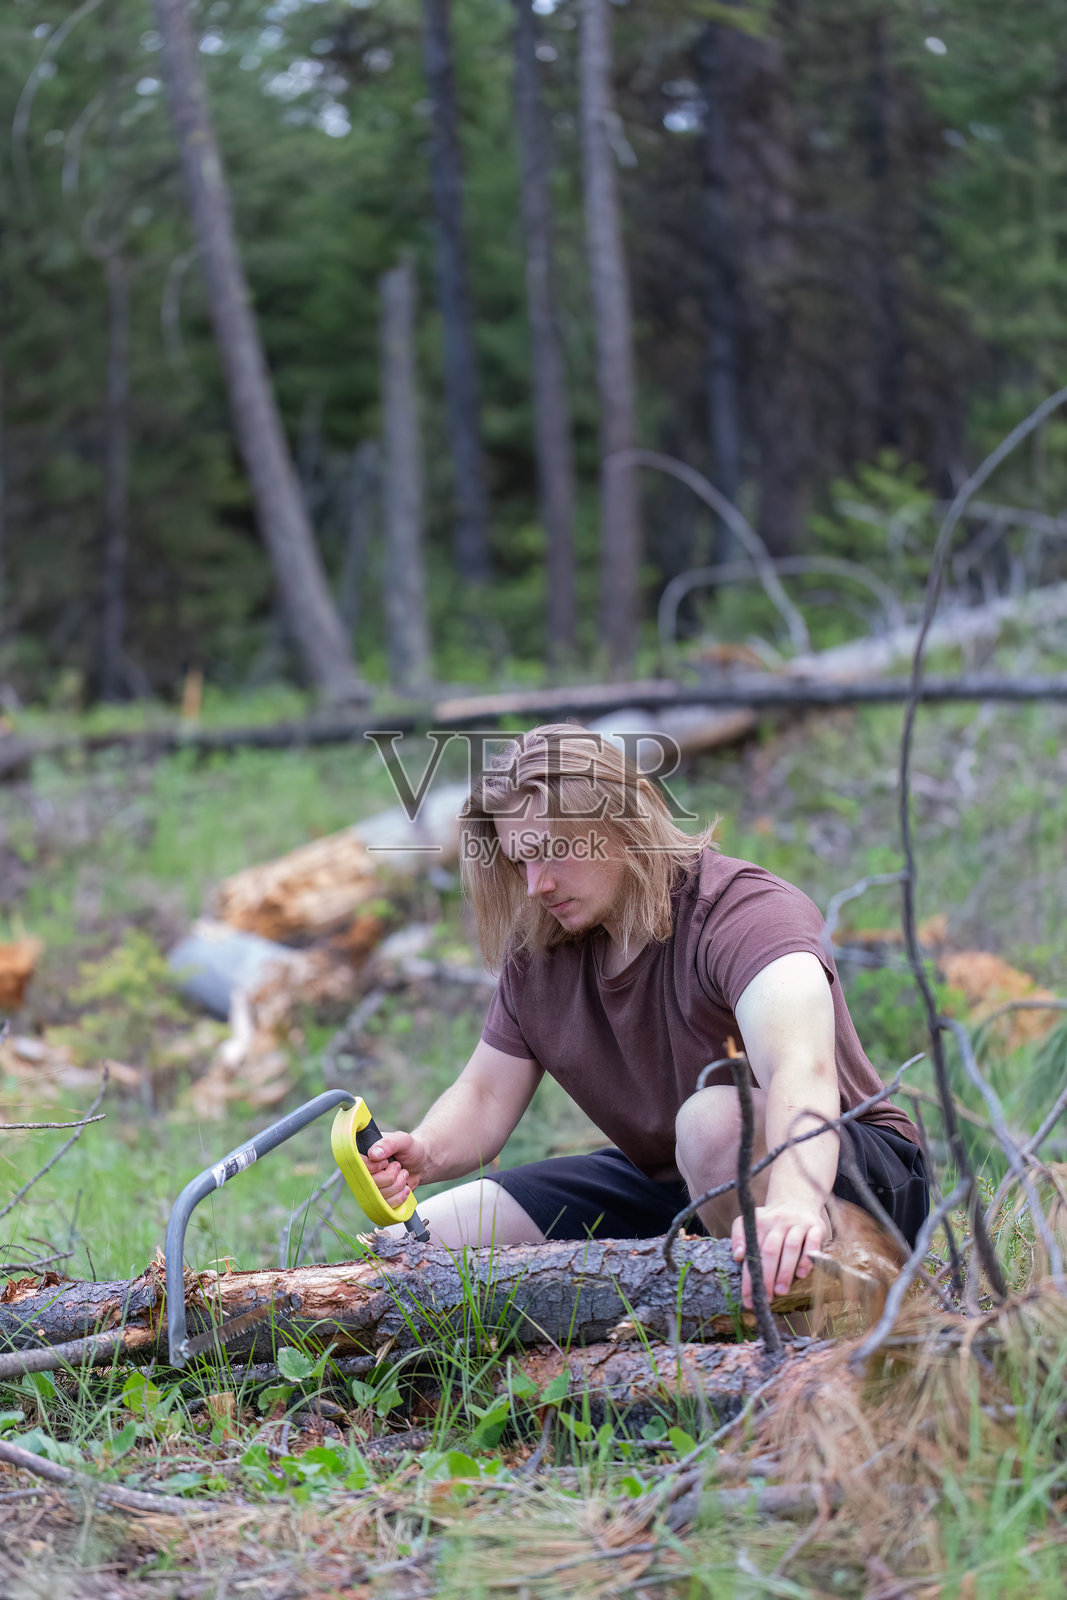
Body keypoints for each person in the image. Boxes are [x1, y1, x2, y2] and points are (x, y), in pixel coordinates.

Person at [365, 724, 928, 1309]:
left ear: (621, 826)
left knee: (716, 1122)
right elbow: (484, 1094)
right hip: (679, 1181)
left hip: (840, 1169)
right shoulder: (545, 949)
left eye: (554, 852)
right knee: (420, 1241)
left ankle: (804, 1343)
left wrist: (791, 1200)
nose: (538, 885)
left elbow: (800, 1067)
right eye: (521, 860)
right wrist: (425, 1152)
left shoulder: (744, 911)